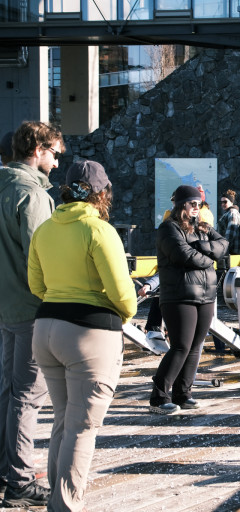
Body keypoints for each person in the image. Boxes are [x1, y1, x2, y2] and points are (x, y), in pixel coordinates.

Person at [28, 160, 136, 511]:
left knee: (63, 420)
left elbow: (37, 286)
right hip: (89, 336)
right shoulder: (99, 231)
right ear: (102, 193)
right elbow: (124, 298)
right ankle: (66, 507)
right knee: (82, 428)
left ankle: (56, 504)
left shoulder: (45, 229)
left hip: (45, 330)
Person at [0, 121, 64, 507]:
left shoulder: (3, 184)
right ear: (38, 149)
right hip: (31, 307)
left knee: (8, 390)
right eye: (55, 154)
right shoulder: (33, 195)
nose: (56, 164)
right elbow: (41, 260)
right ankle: (21, 480)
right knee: (28, 394)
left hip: (5, 305)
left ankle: (7, 467)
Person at [150, 185, 228, 414]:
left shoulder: (203, 227)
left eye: (199, 204)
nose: (197, 208)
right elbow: (183, 255)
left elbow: (223, 244)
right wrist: (209, 257)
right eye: (192, 203)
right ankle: (159, 396)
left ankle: (183, 394)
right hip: (179, 296)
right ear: (181, 205)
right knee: (180, 346)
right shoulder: (168, 228)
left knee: (195, 347)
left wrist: (203, 247)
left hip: (206, 295)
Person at [218, 189, 240, 255]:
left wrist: (223, 248)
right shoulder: (229, 213)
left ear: (231, 202)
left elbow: (230, 235)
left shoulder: (232, 213)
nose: (222, 204)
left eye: (225, 202)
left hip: (230, 252)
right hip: (229, 250)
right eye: (222, 202)